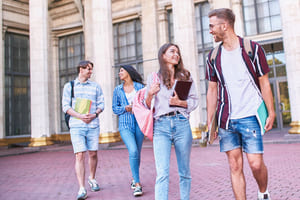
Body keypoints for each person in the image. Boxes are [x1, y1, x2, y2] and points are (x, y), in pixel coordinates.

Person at [206, 8, 275, 200]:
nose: (210, 31)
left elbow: (264, 83)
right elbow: (212, 90)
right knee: (234, 166)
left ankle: (263, 192)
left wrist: (271, 112)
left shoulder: (252, 49)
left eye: (212, 26)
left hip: (251, 116)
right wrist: (210, 122)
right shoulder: (213, 57)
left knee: (255, 164)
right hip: (227, 120)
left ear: (224, 25)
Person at [145, 43, 198, 200]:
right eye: (172, 51)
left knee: (185, 172)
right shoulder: (154, 78)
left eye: (178, 52)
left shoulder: (186, 77)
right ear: (163, 55)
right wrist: (149, 94)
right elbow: (148, 106)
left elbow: (194, 101)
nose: (176, 55)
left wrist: (179, 103)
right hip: (161, 126)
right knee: (162, 173)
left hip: (181, 123)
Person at [62, 60, 105, 200]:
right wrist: (80, 116)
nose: (90, 71)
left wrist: (94, 114)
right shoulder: (69, 86)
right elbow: (65, 107)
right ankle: (81, 188)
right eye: (88, 69)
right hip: (76, 126)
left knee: (92, 153)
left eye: (91, 69)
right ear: (81, 69)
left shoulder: (96, 86)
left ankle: (92, 178)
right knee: (79, 155)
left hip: (93, 125)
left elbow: (101, 104)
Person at [112, 65, 145, 197]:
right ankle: (137, 183)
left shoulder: (140, 88)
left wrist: (137, 108)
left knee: (137, 152)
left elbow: (146, 104)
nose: (119, 73)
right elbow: (115, 108)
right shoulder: (117, 90)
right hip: (125, 124)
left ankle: (134, 177)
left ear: (128, 72)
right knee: (133, 150)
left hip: (139, 122)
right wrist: (125, 108)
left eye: (121, 70)